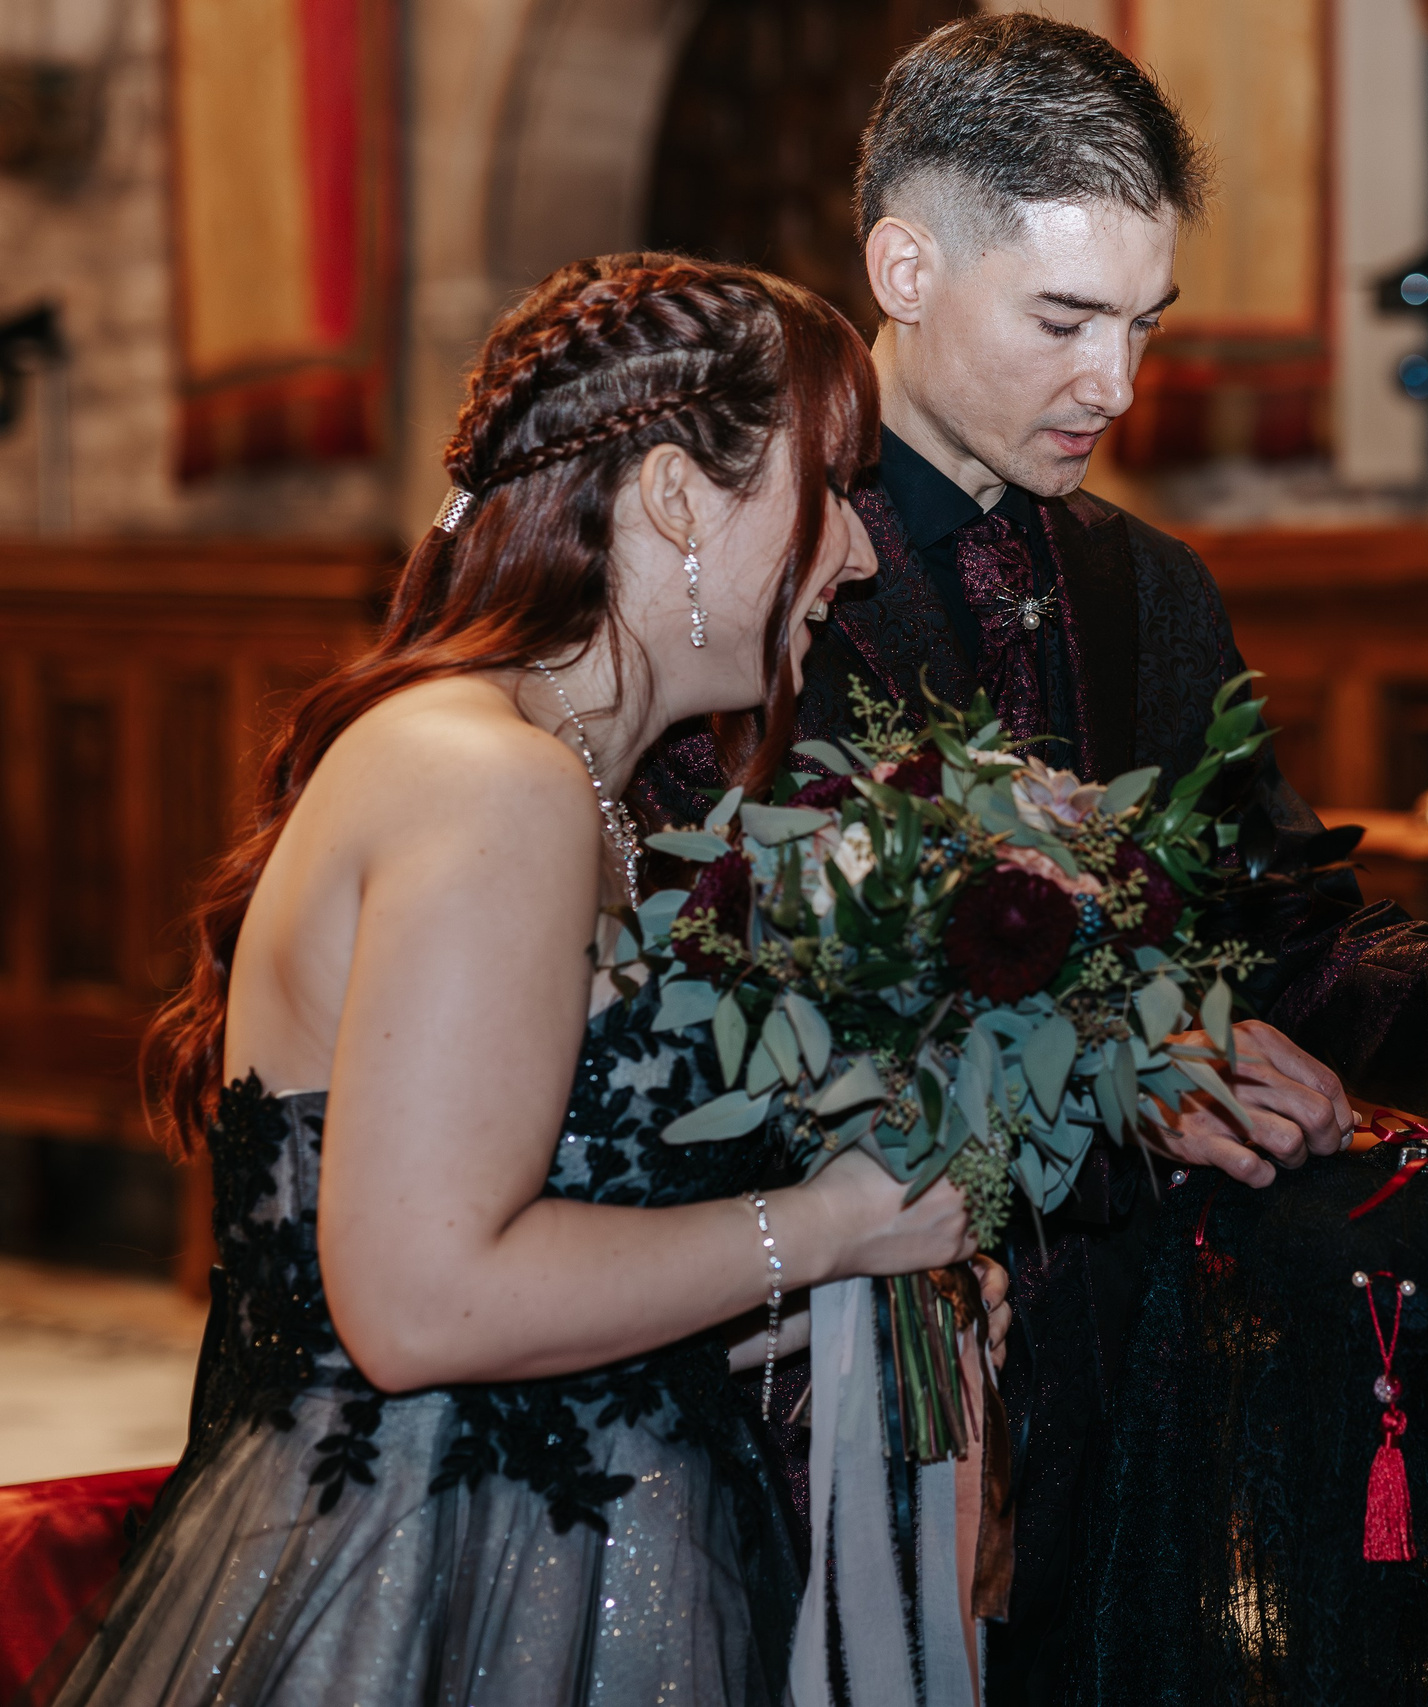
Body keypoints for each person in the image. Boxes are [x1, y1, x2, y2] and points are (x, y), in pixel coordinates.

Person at [630, 18, 1428, 1702]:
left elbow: (1269, 929)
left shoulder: (1147, 589)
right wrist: (1113, 1069)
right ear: (904, 262)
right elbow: (708, 997)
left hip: (1123, 1379)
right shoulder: (735, 566)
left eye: (1144, 325)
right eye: (1064, 321)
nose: (1117, 383)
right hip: (800, 1384)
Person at [42, 255, 993, 1707]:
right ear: (676, 497)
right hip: (437, 1593)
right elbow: (421, 1300)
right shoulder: (488, 778)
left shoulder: (572, 790)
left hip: (540, 1554)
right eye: (834, 489)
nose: (858, 556)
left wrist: (848, 1284)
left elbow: (545, 1233)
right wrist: (829, 1227)